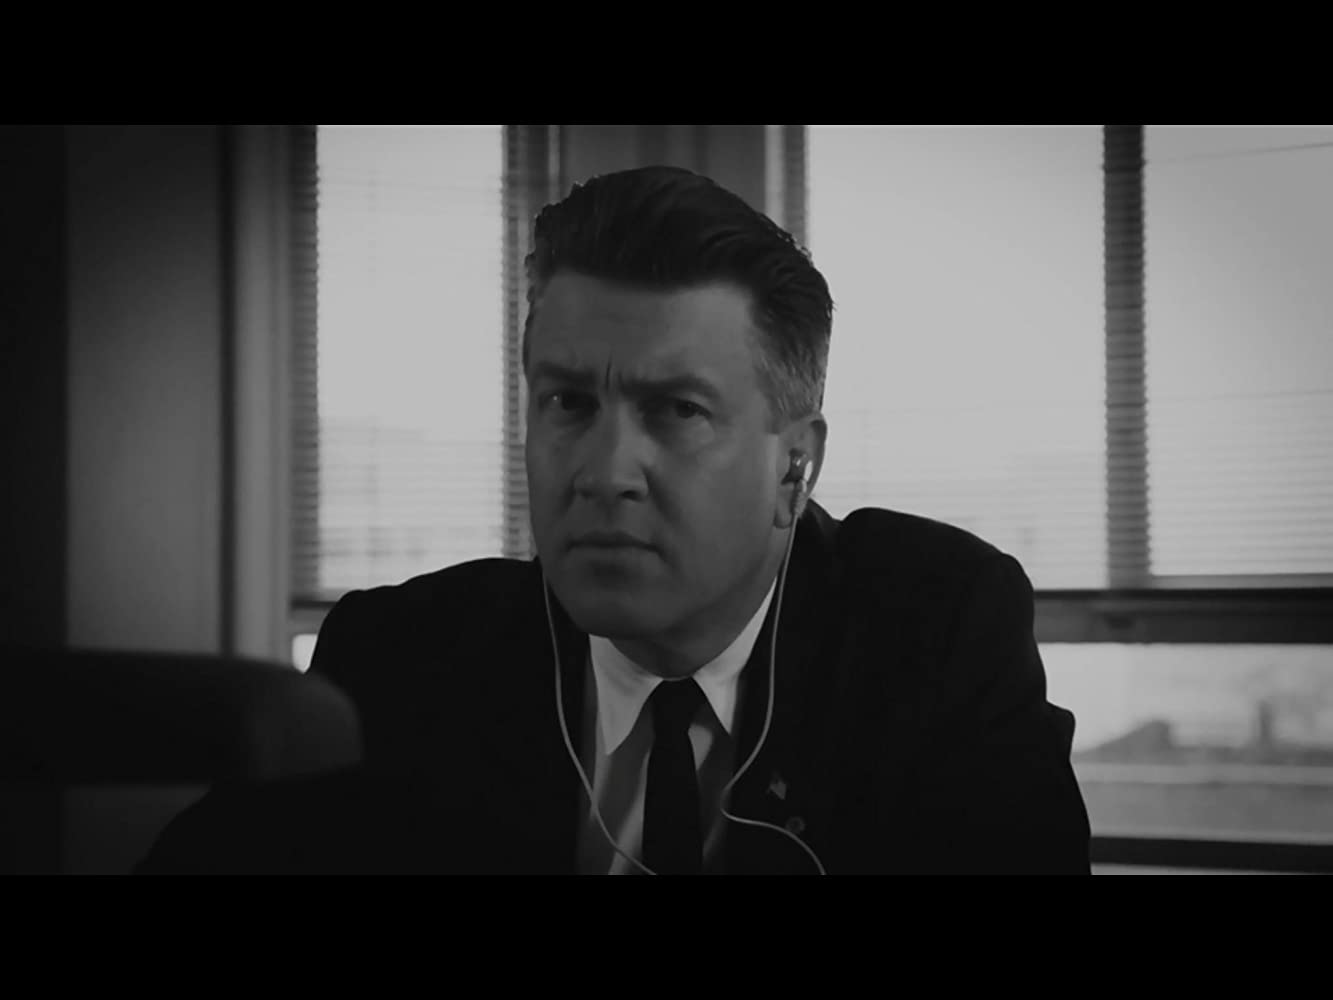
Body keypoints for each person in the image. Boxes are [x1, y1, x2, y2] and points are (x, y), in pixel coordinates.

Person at [140, 165, 1091, 874]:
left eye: (676, 410)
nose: (602, 473)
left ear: (793, 467)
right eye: (567, 403)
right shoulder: (399, 659)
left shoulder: (935, 636)